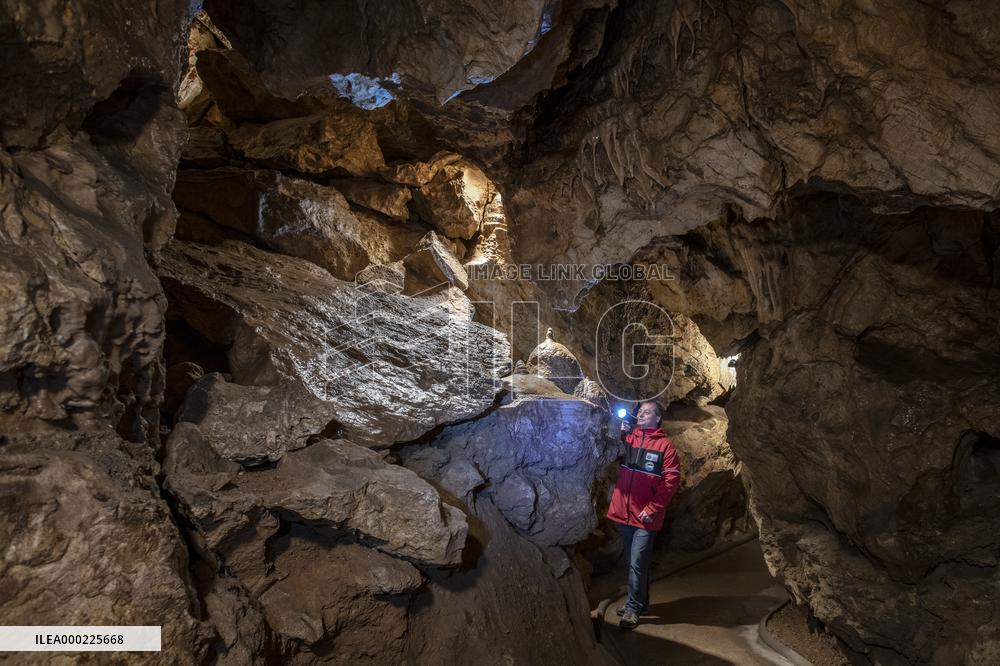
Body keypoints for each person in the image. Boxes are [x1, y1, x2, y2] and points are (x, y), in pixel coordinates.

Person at [606, 400, 681, 630]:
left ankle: (633, 609)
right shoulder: (630, 438)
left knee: (637, 562)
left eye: (647, 412)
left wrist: (652, 508)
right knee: (633, 561)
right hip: (624, 512)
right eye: (640, 412)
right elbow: (613, 454)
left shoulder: (665, 448)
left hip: (646, 517)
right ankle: (639, 602)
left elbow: (671, 481)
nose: (641, 415)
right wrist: (621, 436)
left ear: (658, 418)